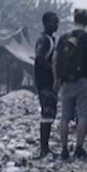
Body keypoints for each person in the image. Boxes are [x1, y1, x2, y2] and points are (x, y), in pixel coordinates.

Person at [54, 8, 87, 159]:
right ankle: (79, 148)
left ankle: (64, 149)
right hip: (84, 80)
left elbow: (55, 60)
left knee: (65, 116)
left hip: (66, 81)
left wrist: (57, 79)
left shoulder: (64, 37)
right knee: (83, 115)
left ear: (74, 19)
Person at [32, 11, 60, 159]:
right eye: (53, 22)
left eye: (57, 22)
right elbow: (39, 56)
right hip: (46, 83)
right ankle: (44, 148)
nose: (56, 24)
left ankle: (45, 147)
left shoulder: (50, 39)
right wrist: (52, 69)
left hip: (47, 83)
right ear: (46, 23)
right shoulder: (45, 40)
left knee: (49, 114)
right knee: (47, 115)